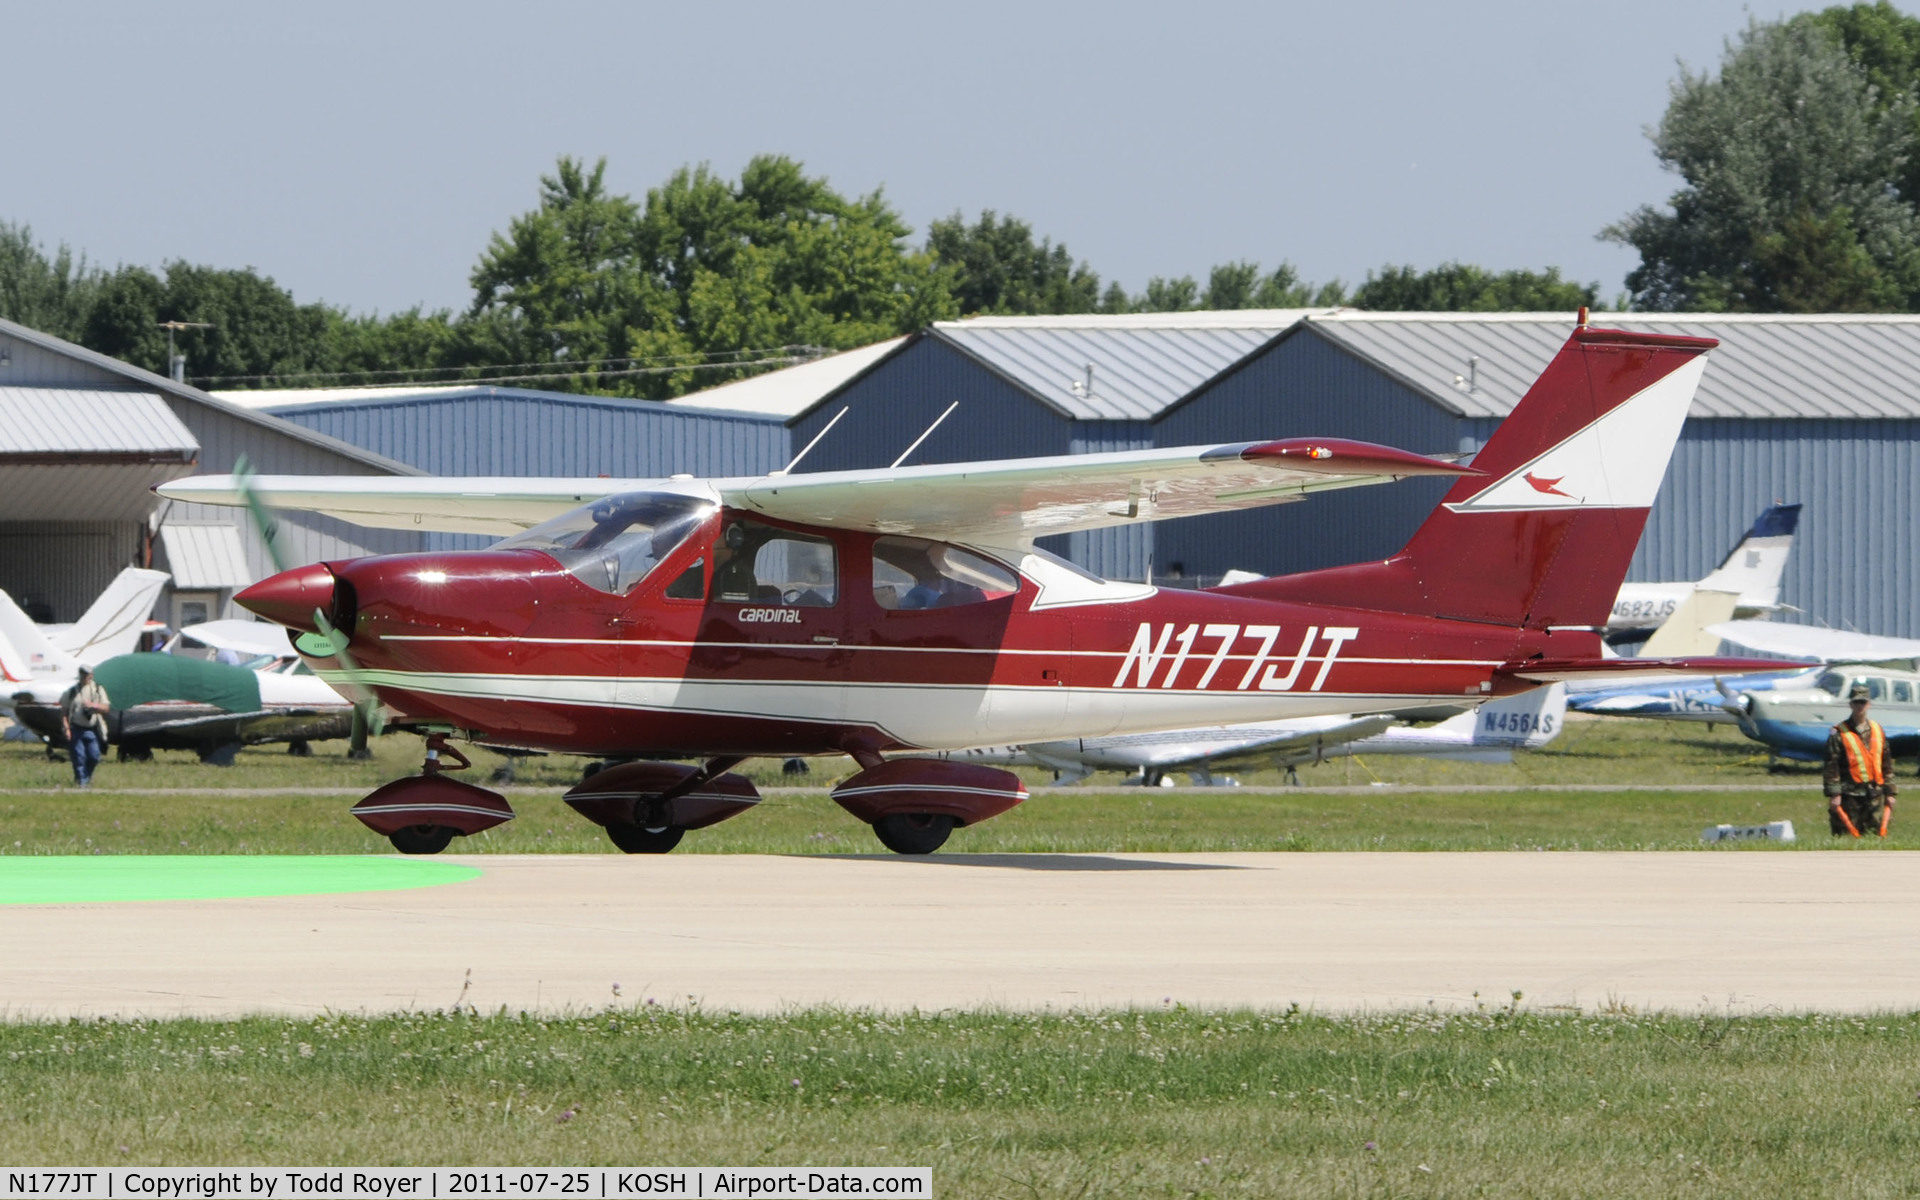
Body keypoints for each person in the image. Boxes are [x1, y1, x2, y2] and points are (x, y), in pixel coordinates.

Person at [1823, 683, 1897, 837]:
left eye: (1863, 702)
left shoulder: (1878, 730)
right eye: (1856, 702)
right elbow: (1832, 766)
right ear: (1851, 704)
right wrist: (1834, 794)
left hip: (1875, 795)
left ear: (1869, 704)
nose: (1860, 706)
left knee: (1875, 837)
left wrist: (1890, 792)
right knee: (1846, 837)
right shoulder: (1839, 732)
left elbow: (1887, 763)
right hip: (1849, 796)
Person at [60, 665, 111, 788]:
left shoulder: (98, 689)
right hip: (76, 728)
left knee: (94, 756)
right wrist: (66, 728)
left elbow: (106, 708)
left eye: (87, 674)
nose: (85, 677)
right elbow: (63, 712)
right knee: (79, 757)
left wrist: (95, 706)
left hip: (92, 729)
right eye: (82, 674)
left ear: (92, 675)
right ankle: (81, 783)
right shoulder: (71, 691)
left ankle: (86, 777)